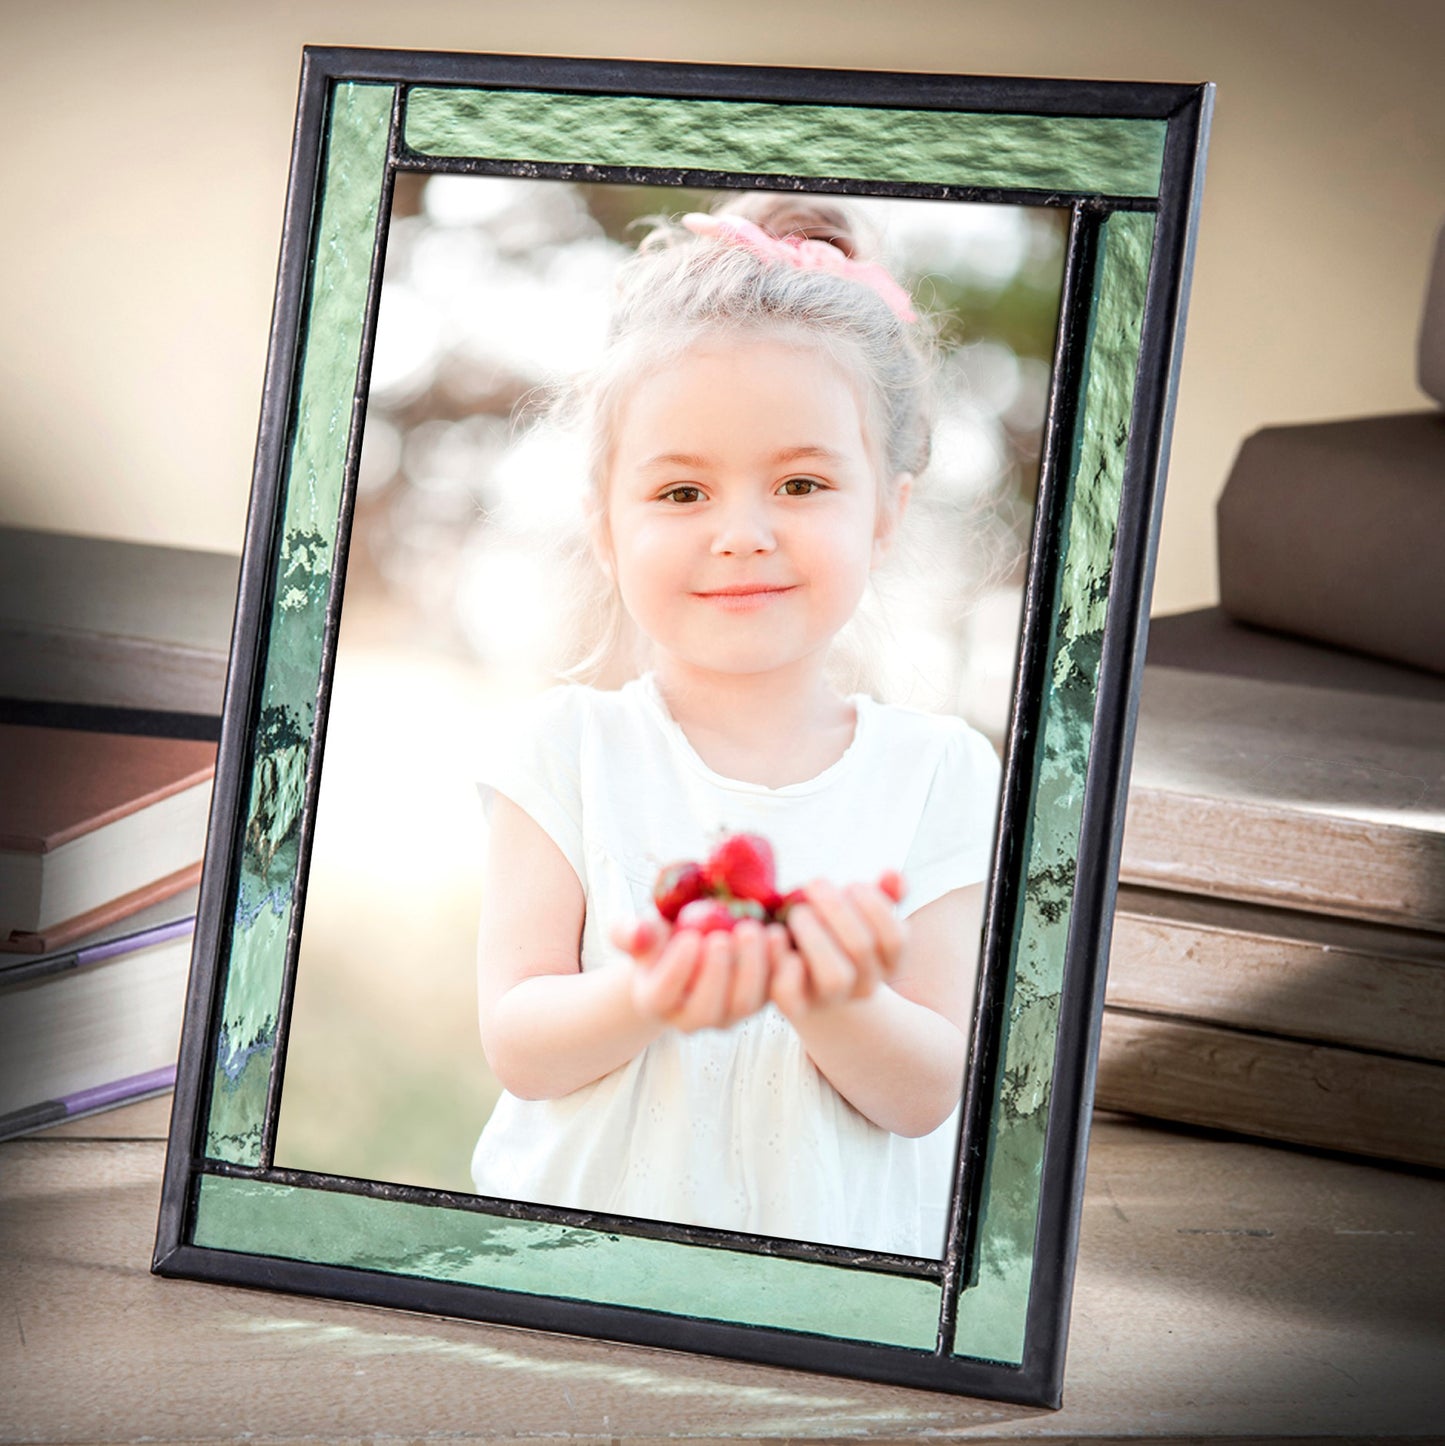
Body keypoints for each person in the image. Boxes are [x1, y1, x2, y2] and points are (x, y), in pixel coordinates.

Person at [469, 194, 1001, 1257]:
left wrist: (831, 994)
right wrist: (649, 990)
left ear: (886, 512)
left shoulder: (937, 771)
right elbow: (520, 1043)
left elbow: (925, 1090)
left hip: (824, 1313)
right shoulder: (565, 749)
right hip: (569, 1285)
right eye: (680, 493)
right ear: (605, 526)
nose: (741, 534)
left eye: (800, 482)